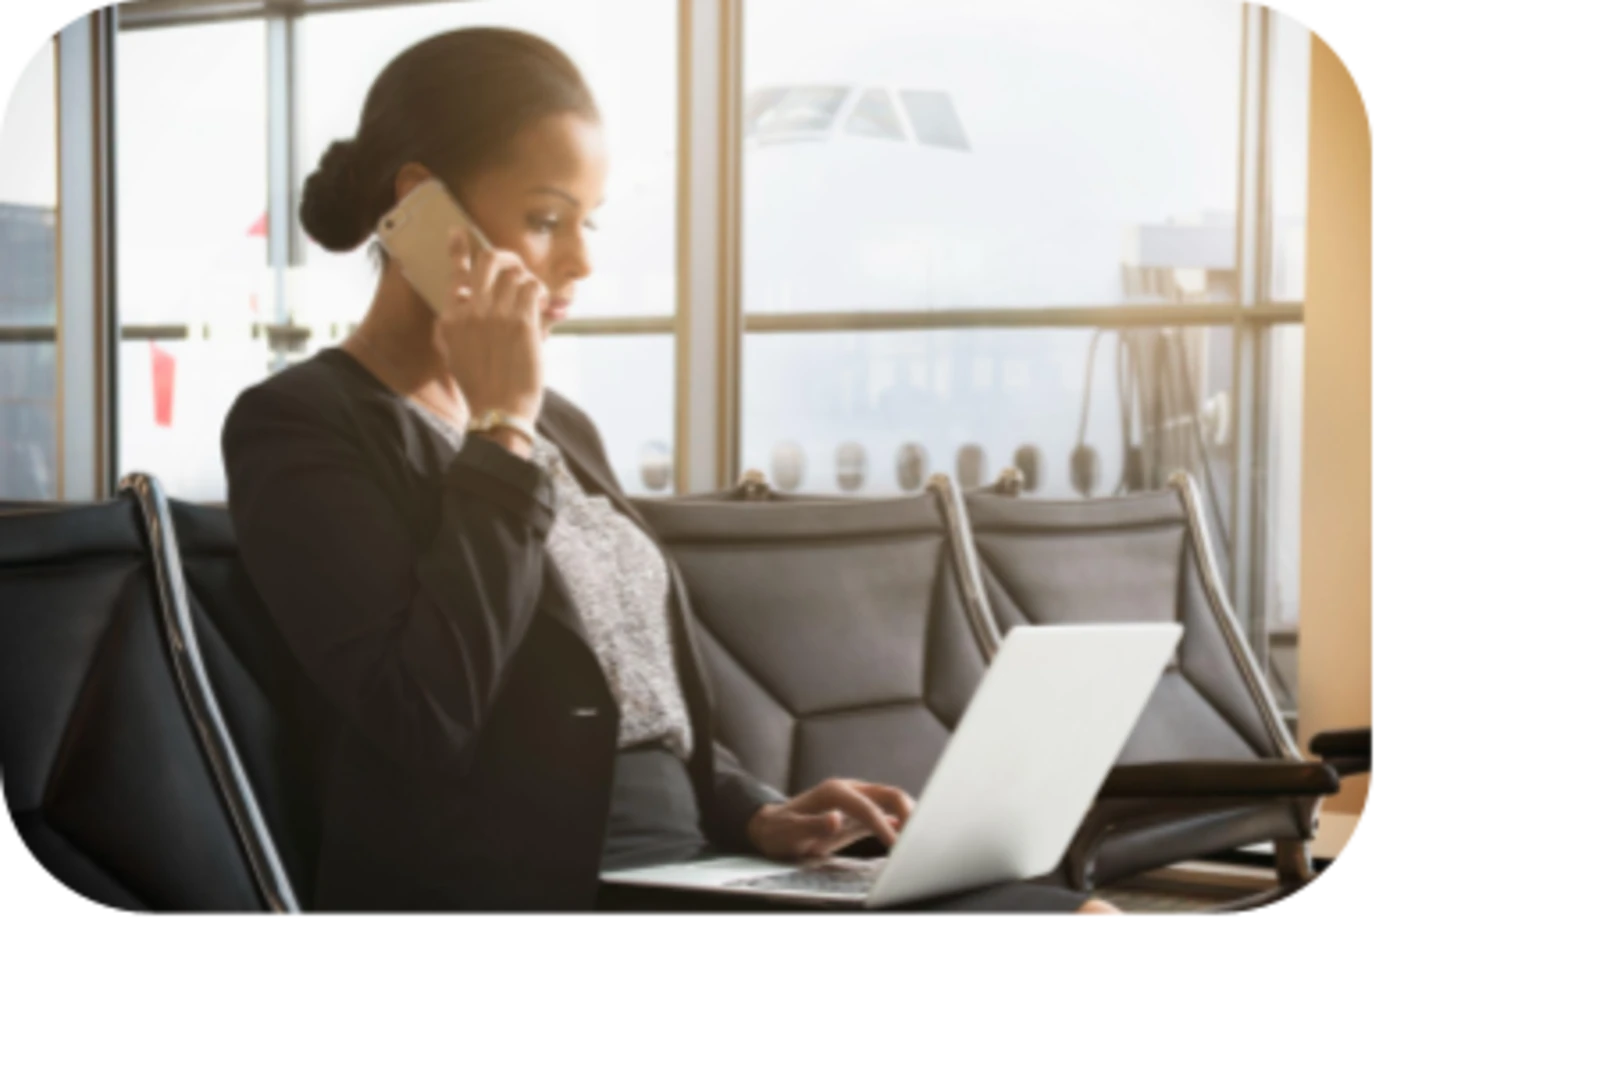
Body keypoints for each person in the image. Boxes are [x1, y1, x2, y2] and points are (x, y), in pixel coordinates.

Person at [222, 26, 1125, 920]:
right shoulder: (302, 425)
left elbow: (635, 697)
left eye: (588, 222)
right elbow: (423, 711)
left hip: (691, 869)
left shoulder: (558, 425)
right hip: (533, 889)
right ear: (421, 205)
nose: (581, 261)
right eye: (546, 220)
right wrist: (499, 432)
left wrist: (756, 810)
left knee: (1072, 910)